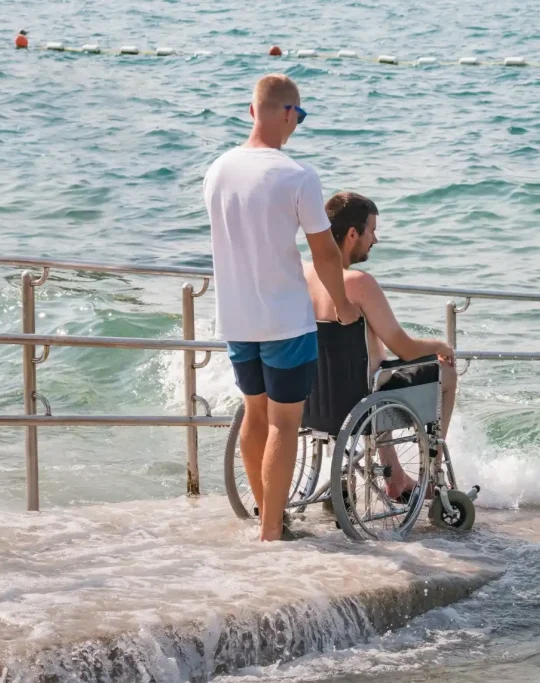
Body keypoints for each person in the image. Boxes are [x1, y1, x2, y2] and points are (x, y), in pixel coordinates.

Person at [204, 75, 359, 542]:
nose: (298, 125)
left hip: (235, 317)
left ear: (252, 111)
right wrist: (343, 304)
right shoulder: (297, 175)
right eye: (300, 115)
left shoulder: (218, 169)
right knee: (284, 423)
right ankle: (272, 530)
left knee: (255, 416)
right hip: (286, 320)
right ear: (287, 113)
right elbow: (326, 254)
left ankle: (270, 517)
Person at [304, 192, 457, 499]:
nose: (375, 239)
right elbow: (405, 348)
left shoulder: (304, 274)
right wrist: (444, 346)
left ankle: (396, 476)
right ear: (352, 234)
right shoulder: (359, 283)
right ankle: (431, 474)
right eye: (371, 231)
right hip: (362, 399)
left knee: (378, 371)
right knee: (445, 374)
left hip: (315, 400)